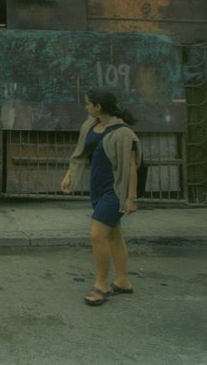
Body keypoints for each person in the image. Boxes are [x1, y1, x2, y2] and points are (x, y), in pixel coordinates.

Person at [61, 88, 142, 307]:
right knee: (114, 234)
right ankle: (123, 280)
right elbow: (80, 154)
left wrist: (131, 198)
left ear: (99, 107)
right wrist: (69, 175)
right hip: (97, 189)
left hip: (115, 192)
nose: (86, 107)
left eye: (89, 103)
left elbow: (131, 168)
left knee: (97, 235)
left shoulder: (124, 134)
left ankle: (101, 284)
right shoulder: (90, 126)